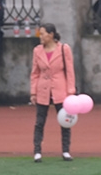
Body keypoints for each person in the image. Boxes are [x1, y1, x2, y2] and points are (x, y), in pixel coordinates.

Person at [30, 24, 76, 162]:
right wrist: (33, 92)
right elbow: (35, 73)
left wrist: (70, 91)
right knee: (39, 121)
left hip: (60, 89)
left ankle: (66, 150)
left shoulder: (64, 49)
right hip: (43, 89)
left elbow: (69, 71)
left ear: (51, 35)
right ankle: (37, 151)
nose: (41, 36)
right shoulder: (37, 51)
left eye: (43, 34)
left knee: (65, 120)